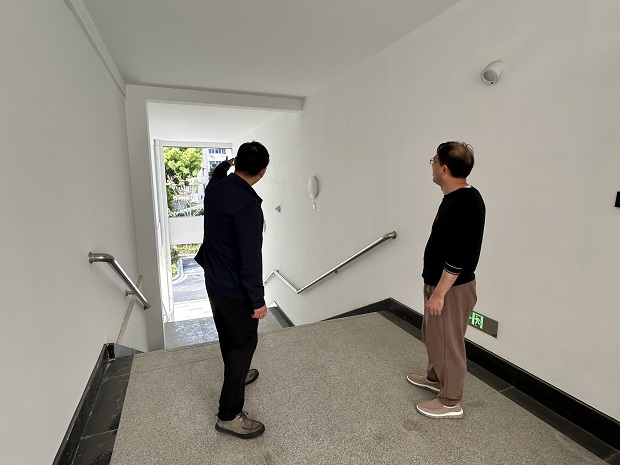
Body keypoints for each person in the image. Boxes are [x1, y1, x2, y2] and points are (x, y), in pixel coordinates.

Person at [194, 141, 270, 439]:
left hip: (214, 280)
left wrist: (226, 164)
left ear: (237, 162)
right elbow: (251, 258)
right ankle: (228, 415)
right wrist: (258, 300)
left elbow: (217, 173)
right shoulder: (248, 205)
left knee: (228, 335)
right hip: (235, 289)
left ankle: (237, 375)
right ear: (263, 171)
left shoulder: (215, 188)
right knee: (244, 343)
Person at [407, 141, 485, 419]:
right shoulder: (455, 197)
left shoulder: (465, 203)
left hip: (451, 288)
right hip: (439, 282)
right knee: (433, 334)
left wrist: (439, 294)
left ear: (444, 168)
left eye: (434, 161)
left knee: (448, 343)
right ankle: (435, 378)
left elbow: (458, 256)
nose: (432, 165)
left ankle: (451, 401)